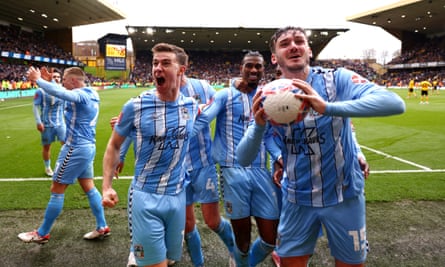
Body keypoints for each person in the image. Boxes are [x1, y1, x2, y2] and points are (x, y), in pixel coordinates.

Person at [235, 26, 405, 267]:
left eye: (299, 41)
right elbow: (243, 158)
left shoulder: (337, 79)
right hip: (297, 198)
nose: (293, 46)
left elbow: (394, 103)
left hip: (343, 195)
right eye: (285, 44)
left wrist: (329, 108)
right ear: (274, 57)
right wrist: (259, 126)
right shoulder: (270, 96)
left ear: (309, 50)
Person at [101, 43, 201, 267]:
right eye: (155, 63)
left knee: (169, 259)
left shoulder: (191, 107)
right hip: (146, 198)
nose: (158, 68)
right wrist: (106, 186)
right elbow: (114, 145)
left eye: (166, 63)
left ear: (181, 70)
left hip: (177, 197)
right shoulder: (135, 106)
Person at [196, 51, 280, 267]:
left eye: (258, 66)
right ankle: (240, 259)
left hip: (262, 170)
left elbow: (270, 135)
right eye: (249, 66)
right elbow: (205, 118)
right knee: (242, 240)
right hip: (232, 170)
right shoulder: (225, 95)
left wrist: (278, 157)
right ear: (241, 68)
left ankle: (243, 263)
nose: (253, 70)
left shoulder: (267, 97)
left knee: (271, 239)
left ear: (263, 69)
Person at [18, 66, 109, 244]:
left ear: (74, 81)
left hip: (75, 149)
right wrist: (50, 82)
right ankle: (102, 226)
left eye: (65, 81)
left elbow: (65, 94)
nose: (63, 84)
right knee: (89, 187)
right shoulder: (92, 93)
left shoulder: (80, 94)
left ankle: (42, 233)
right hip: (87, 147)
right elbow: (60, 92)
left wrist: (38, 80)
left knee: (57, 189)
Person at [32, 68, 66, 176]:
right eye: (54, 76)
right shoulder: (41, 91)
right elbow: (35, 106)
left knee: (66, 145)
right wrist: (38, 122)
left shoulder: (62, 90)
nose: (56, 78)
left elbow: (65, 106)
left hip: (61, 123)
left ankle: (64, 167)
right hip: (46, 124)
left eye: (58, 77)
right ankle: (47, 167)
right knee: (47, 147)